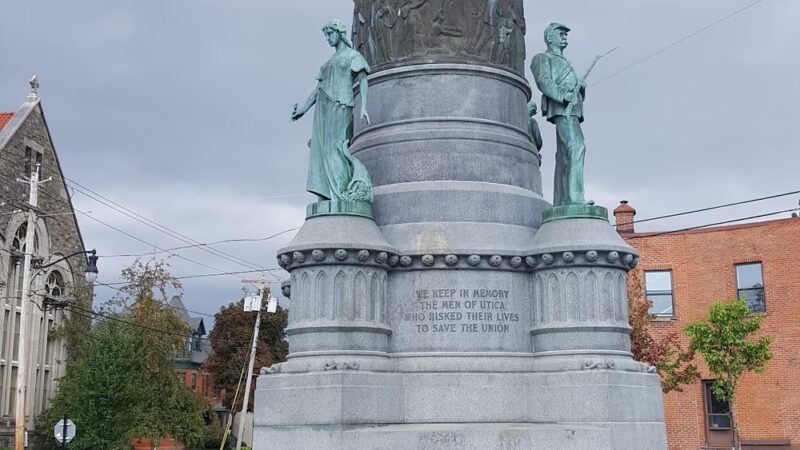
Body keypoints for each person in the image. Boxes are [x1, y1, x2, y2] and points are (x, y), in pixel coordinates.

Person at [291, 20, 373, 203]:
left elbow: (363, 79)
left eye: (330, 34)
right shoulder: (328, 63)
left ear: (339, 32)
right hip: (324, 107)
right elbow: (318, 89)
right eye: (325, 35)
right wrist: (302, 110)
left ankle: (340, 192)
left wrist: (364, 106)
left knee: (336, 149)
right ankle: (328, 192)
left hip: (341, 104)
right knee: (323, 150)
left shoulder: (353, 56)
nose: (328, 38)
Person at [530, 23, 588, 207]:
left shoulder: (565, 62)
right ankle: (575, 198)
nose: (565, 37)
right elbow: (544, 82)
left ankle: (564, 200)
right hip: (563, 109)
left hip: (572, 111)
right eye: (561, 34)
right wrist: (564, 96)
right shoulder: (542, 58)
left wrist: (581, 90)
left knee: (565, 154)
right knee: (576, 147)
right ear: (549, 37)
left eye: (566, 35)